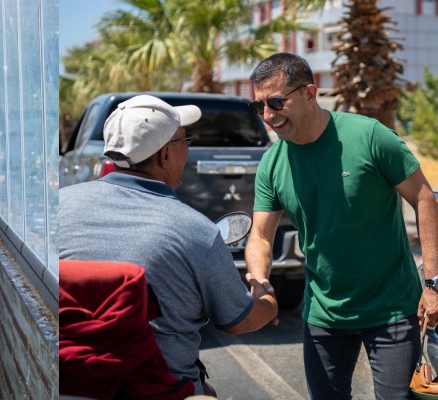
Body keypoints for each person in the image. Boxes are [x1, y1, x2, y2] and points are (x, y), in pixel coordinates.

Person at [245, 52, 438, 400]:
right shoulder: (272, 163)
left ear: (309, 93)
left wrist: (433, 283)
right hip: (323, 313)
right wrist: (260, 282)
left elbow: (424, 198)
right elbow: (260, 236)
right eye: (259, 107)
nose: (269, 116)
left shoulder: (369, 136)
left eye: (276, 102)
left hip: (391, 308)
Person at [58, 94, 279, 396]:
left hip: (71, 381)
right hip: (164, 389)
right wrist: (267, 301)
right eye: (186, 139)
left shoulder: (59, 205)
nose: (188, 149)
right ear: (164, 156)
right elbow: (239, 321)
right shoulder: (195, 230)